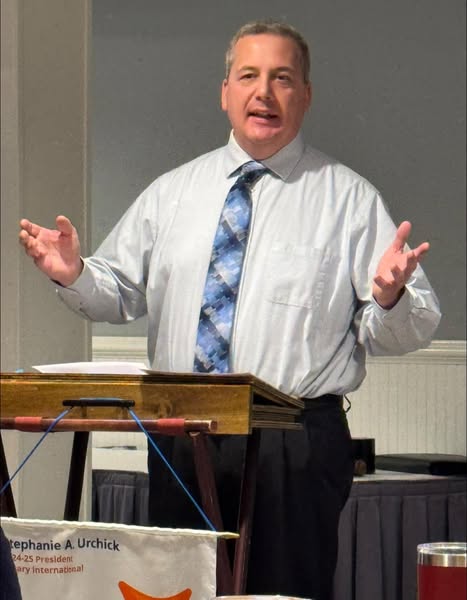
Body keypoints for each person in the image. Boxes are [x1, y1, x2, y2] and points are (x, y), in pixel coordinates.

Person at [19, 20, 440, 600]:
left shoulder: (348, 200)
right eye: (248, 76)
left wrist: (389, 296)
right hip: (180, 435)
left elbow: (405, 326)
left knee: (282, 591)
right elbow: (117, 291)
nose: (263, 92)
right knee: (178, 589)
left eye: (282, 78)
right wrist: (74, 273)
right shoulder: (172, 193)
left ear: (306, 95)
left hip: (291, 443)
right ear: (225, 92)